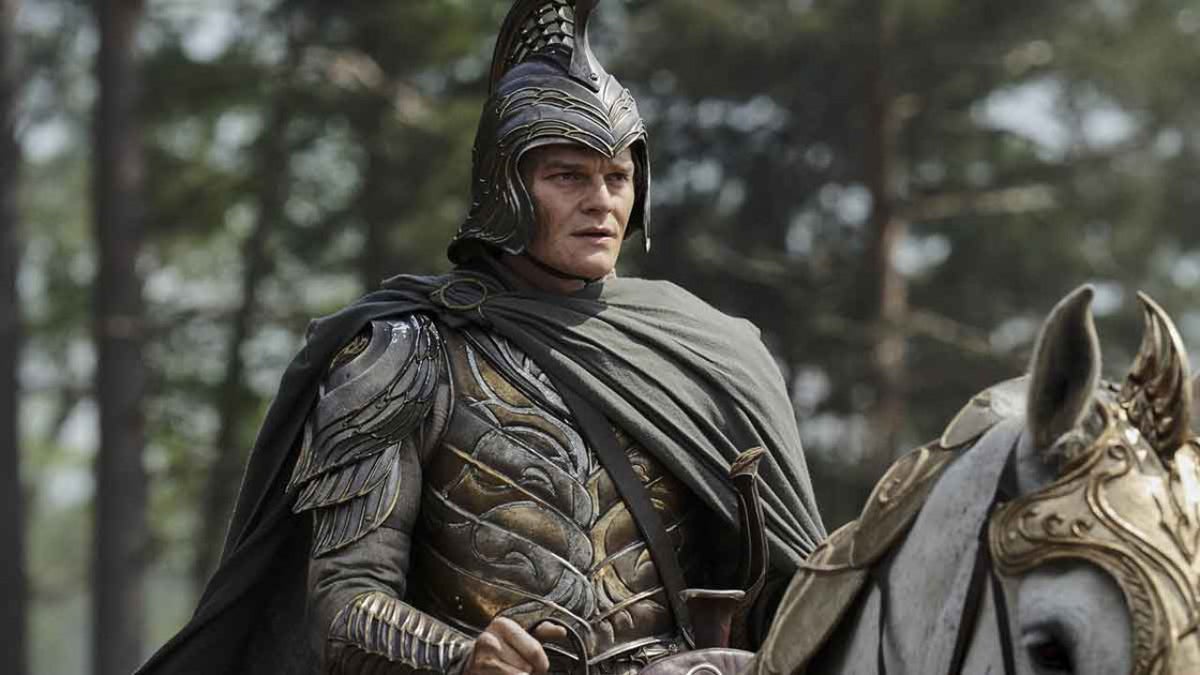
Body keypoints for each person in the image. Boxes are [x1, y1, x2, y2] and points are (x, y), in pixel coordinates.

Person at [136, 1, 825, 674]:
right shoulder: (402, 355)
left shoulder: (700, 353)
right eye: (568, 176)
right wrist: (462, 656)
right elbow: (345, 606)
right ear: (507, 187)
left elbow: (786, 585)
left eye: (618, 177)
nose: (602, 201)